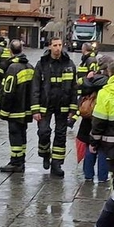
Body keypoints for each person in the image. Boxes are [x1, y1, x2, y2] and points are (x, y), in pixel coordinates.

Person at [32, 37, 79, 177]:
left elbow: (74, 88)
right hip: (45, 105)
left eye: (60, 45)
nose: (58, 48)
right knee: (43, 132)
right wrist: (35, 109)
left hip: (63, 105)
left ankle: (56, 164)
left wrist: (73, 108)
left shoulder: (69, 64)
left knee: (60, 135)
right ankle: (45, 153)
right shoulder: (42, 64)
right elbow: (35, 87)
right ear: (49, 46)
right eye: (55, 45)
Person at [0, 40, 35, 173]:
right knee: (22, 135)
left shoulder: (12, 68)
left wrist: (4, 110)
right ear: (22, 49)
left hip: (14, 110)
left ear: (10, 50)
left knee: (15, 135)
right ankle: (21, 160)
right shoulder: (30, 67)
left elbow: (8, 92)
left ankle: (15, 162)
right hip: (26, 109)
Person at [76, 63, 111, 183]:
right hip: (104, 118)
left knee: (88, 146)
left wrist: (88, 77)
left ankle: (88, 175)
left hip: (88, 119)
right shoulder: (110, 82)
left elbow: (79, 89)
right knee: (103, 150)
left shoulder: (90, 80)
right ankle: (103, 177)